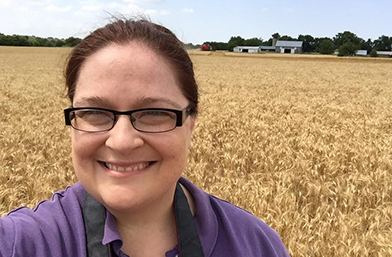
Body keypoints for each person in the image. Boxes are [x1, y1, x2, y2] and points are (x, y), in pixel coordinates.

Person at [0, 18, 290, 257]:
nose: (122, 141)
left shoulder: (257, 246)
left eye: (154, 113)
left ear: (191, 121)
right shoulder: (19, 244)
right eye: (94, 112)